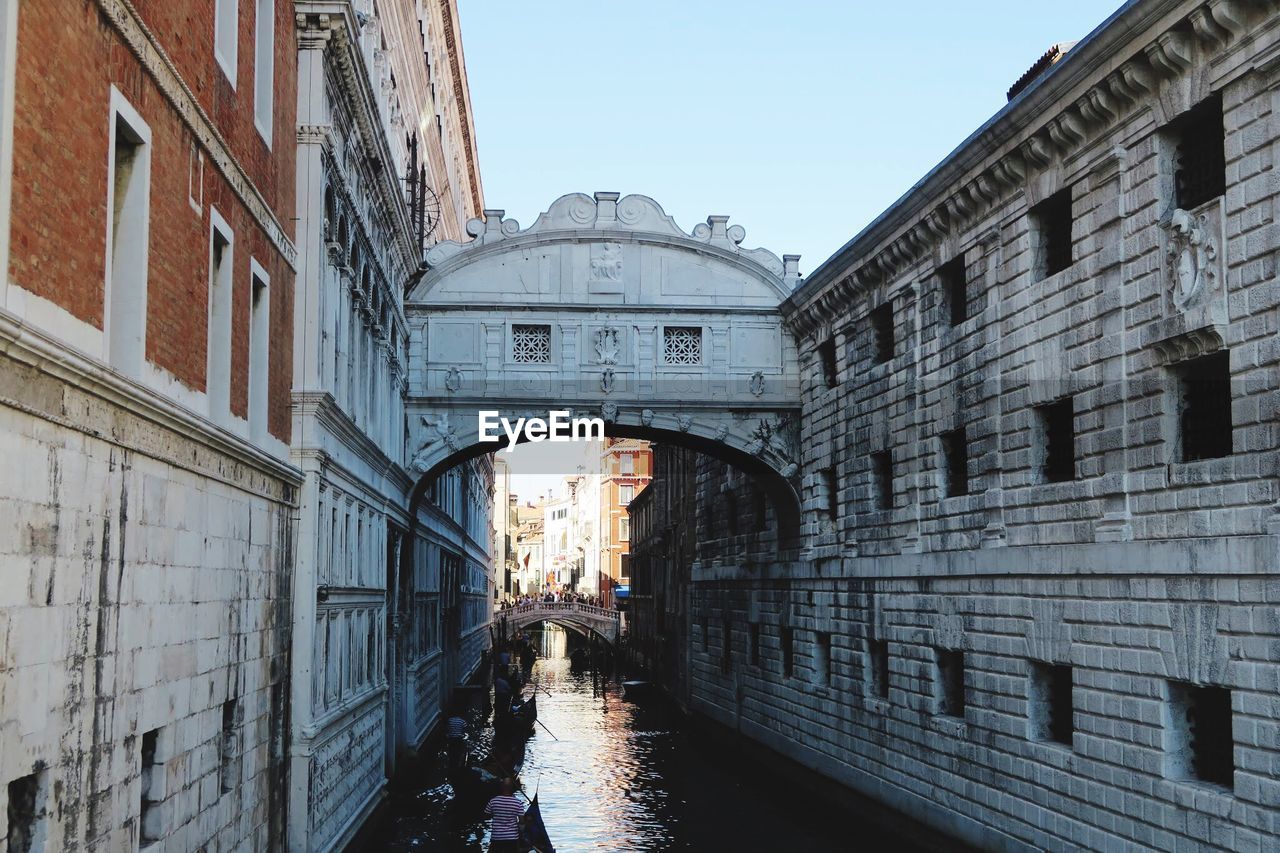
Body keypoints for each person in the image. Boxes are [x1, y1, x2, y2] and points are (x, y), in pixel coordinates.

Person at [483, 778, 526, 852]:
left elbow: (486, 815)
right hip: (512, 837)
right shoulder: (518, 803)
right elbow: (522, 822)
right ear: (512, 788)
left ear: (501, 787)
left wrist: (498, 813)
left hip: (496, 836)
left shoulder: (493, 801)